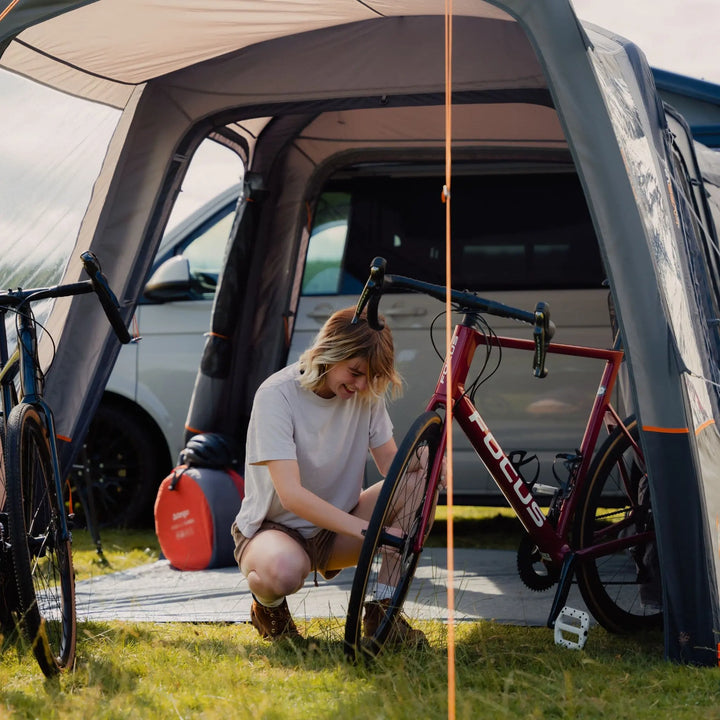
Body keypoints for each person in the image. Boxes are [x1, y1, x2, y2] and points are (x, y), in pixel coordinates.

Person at [231, 306, 427, 646]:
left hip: (337, 530)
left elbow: (390, 465)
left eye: (371, 377)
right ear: (329, 350)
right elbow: (291, 495)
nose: (361, 384)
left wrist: (426, 458)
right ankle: (269, 608)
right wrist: (372, 532)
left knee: (417, 481)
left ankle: (383, 613)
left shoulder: (365, 394)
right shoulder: (277, 394)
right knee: (283, 571)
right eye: (354, 372)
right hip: (275, 530)